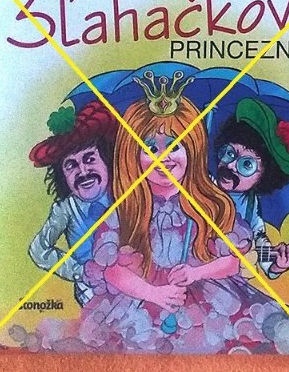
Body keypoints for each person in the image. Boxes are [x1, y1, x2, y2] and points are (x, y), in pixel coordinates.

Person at [78, 69, 259, 353]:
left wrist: (196, 273)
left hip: (207, 306)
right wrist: (154, 293)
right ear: (132, 155)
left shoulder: (213, 204)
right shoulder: (124, 210)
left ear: (193, 150)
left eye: (174, 146)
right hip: (139, 307)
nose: (164, 158)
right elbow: (112, 271)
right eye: (150, 148)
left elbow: (234, 262)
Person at [26, 103, 115, 304]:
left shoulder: (128, 195)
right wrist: (80, 271)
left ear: (106, 160)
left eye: (89, 159)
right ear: (62, 176)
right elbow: (38, 249)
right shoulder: (65, 209)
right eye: (71, 165)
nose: (83, 172)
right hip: (94, 295)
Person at [214, 97, 289, 279]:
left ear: (263, 177)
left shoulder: (250, 205)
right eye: (229, 153)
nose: (230, 166)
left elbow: (259, 239)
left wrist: (276, 266)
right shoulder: (200, 182)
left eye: (246, 165)